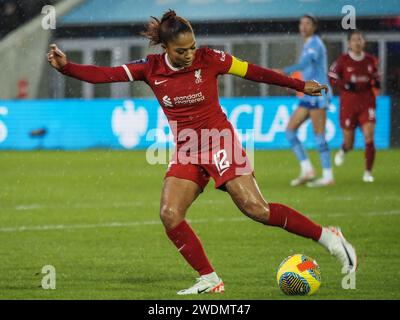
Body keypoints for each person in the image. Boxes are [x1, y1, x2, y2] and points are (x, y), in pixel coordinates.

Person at [47, 10, 356, 295]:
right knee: (170, 214)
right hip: (187, 149)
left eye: (192, 46)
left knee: (255, 209)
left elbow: (255, 72)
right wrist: (67, 67)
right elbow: (104, 74)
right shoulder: (150, 68)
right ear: (166, 48)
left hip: (219, 140)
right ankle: (209, 278)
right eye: (182, 50)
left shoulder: (211, 59)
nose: (189, 54)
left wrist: (299, 85)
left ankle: (329, 238)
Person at [277, 14, 334, 187]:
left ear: (314, 26)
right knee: (290, 131)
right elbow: (307, 70)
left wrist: (283, 71)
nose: (303, 27)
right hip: (309, 93)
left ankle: (328, 175)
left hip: (318, 93)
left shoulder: (315, 43)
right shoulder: (308, 44)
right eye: (301, 23)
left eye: (307, 23)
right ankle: (307, 169)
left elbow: (304, 64)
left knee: (319, 135)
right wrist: (295, 84)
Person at [329, 30, 380, 182]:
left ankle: (368, 172)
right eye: (354, 40)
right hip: (348, 103)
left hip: (366, 101)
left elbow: (376, 76)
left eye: (360, 39)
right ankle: (344, 150)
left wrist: (377, 82)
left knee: (369, 137)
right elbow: (331, 76)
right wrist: (344, 84)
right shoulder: (343, 60)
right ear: (349, 43)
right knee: (349, 142)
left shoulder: (370, 60)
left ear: (364, 42)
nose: (357, 42)